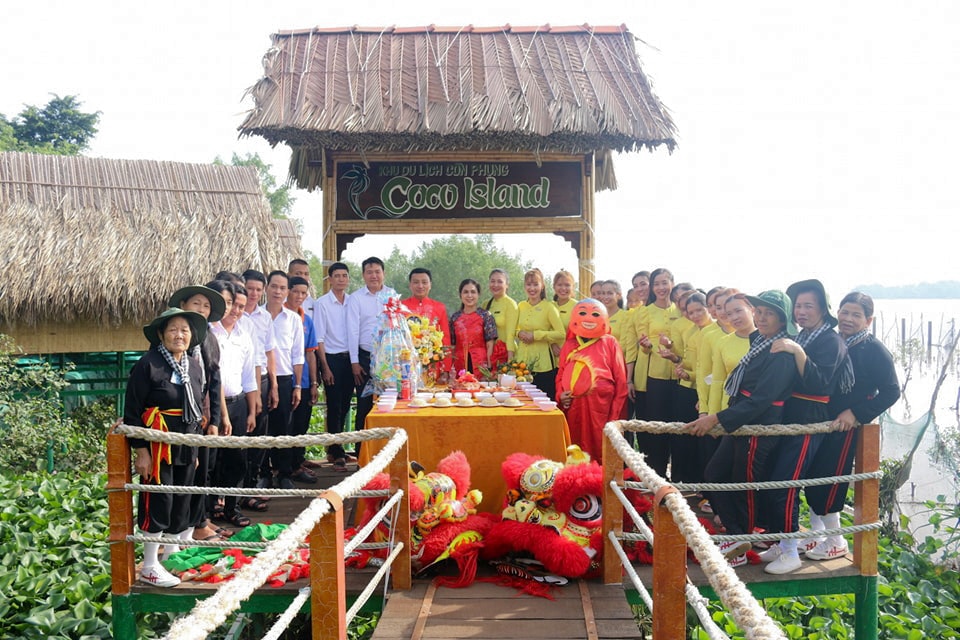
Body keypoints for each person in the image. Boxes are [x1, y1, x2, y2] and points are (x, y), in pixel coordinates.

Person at [684, 290, 797, 568]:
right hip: (740, 422)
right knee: (714, 475)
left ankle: (741, 544)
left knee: (744, 484)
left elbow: (762, 399)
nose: (761, 318)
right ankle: (737, 536)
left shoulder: (782, 350)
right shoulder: (760, 341)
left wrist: (715, 419)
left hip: (759, 425)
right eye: (759, 311)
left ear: (782, 318)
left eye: (768, 313)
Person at [761, 279, 852, 575]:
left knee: (786, 483)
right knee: (775, 479)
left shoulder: (830, 341)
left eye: (808, 306)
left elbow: (820, 383)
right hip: (789, 417)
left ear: (823, 309)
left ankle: (790, 551)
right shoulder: (804, 336)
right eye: (797, 306)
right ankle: (780, 541)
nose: (801, 311)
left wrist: (797, 353)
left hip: (810, 419)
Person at [804, 293, 899, 561]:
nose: (848, 319)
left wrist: (856, 413)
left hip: (845, 426)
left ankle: (836, 541)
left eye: (856, 315)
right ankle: (815, 536)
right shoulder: (833, 342)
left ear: (868, 320)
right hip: (821, 420)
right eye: (845, 312)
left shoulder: (873, 349)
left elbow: (891, 391)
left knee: (830, 479)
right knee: (810, 477)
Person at [126, 307, 209, 587]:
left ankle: (172, 555)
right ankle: (150, 565)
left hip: (186, 443)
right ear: (161, 334)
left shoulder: (193, 366)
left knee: (181, 499)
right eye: (173, 329)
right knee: (159, 500)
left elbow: (197, 409)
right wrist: (141, 450)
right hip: (158, 444)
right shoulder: (148, 364)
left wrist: (194, 449)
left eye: (184, 330)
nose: (179, 335)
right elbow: (132, 411)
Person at [168, 283, 226, 542]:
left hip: (201, 417)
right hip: (177, 419)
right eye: (196, 304)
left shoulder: (210, 338)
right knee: (182, 473)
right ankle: (180, 529)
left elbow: (214, 380)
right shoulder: (173, 336)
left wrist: (214, 419)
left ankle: (199, 521)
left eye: (206, 306)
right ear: (183, 306)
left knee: (202, 472)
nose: (201, 309)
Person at [209, 282, 258, 529]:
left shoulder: (244, 335)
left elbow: (249, 376)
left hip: (238, 403)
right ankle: (208, 512)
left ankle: (232, 508)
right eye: (232, 304)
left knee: (238, 460)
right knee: (211, 460)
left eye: (240, 306)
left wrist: (251, 410)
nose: (236, 310)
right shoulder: (209, 333)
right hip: (212, 406)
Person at [556, 299, 628, 462]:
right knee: (575, 446)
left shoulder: (610, 343)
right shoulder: (569, 345)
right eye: (582, 313)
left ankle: (601, 484)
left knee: (600, 448)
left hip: (601, 408)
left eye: (595, 314)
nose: (588, 318)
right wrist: (561, 395)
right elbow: (560, 374)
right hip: (574, 407)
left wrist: (615, 416)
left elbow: (621, 382)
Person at [629, 267, 681, 477]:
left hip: (679, 373)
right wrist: (646, 344)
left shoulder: (680, 309)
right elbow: (641, 343)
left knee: (675, 424)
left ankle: (676, 474)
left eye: (664, 283)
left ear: (672, 283)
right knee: (655, 424)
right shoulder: (645, 311)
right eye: (656, 284)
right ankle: (655, 474)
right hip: (653, 374)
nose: (660, 288)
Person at [259, 270, 305, 491]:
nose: (278, 291)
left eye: (282, 288)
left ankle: (284, 473)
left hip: (286, 379)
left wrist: (297, 385)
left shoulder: (294, 319)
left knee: (284, 427)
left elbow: (298, 354)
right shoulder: (254, 316)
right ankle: (263, 473)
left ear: (287, 292)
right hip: (262, 379)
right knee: (261, 427)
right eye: (274, 286)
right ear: (266, 288)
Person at [348, 257, 397, 437]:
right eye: (369, 272)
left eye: (377, 271)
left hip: (389, 360)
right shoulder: (356, 298)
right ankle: (362, 452)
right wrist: (354, 362)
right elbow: (352, 331)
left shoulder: (392, 295)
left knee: (389, 403)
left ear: (383, 273)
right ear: (363, 275)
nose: (374, 276)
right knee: (364, 404)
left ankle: (386, 447)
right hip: (365, 358)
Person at [315, 262, 354, 472]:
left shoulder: (352, 301)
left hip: (351, 359)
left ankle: (336, 446)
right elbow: (319, 337)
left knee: (346, 405)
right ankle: (336, 451)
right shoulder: (322, 303)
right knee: (334, 405)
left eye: (344, 275)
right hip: (332, 359)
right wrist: (325, 367)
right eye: (337, 276)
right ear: (330, 279)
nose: (341, 279)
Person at [285, 276, 319, 484]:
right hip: (282, 380)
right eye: (295, 291)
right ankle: (282, 470)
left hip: (304, 381)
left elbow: (310, 353)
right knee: (283, 427)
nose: (299, 296)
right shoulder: (276, 316)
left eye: (303, 293)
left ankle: (297, 466)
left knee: (301, 425)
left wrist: (314, 383)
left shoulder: (306, 320)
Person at [514, 268, 565, 399]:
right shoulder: (520, 306)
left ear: (542, 286)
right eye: (529, 284)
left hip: (543, 366)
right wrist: (519, 334)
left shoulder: (549, 307)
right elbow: (514, 329)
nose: (532, 288)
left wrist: (536, 335)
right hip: (522, 364)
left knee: (543, 402)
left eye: (535, 284)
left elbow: (561, 333)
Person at [401, 267, 452, 383]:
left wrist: (446, 369)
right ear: (410, 285)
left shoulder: (439, 307)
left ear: (430, 285)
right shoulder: (401, 307)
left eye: (424, 282)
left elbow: (446, 340)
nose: (420, 286)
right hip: (407, 364)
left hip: (433, 365)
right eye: (416, 282)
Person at [449, 278, 498, 376]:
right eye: (466, 292)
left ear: (478, 295)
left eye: (473, 292)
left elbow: (490, 344)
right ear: (460, 295)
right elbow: (452, 345)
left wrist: (489, 366)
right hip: (460, 363)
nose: (469, 295)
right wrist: (450, 367)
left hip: (480, 363)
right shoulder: (455, 318)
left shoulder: (486, 316)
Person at [484, 268, 518, 368]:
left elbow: (511, 335)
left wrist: (510, 363)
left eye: (500, 282)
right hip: (488, 356)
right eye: (492, 281)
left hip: (505, 355)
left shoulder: (510, 304)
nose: (495, 285)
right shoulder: (485, 304)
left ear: (507, 285)